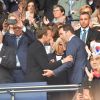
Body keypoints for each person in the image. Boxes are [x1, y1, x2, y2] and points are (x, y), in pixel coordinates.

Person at [42, 24, 88, 100]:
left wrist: (54, 72)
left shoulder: (72, 43)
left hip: (76, 80)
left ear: (68, 32)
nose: (60, 36)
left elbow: (69, 62)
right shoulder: (80, 41)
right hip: (81, 79)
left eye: (61, 33)